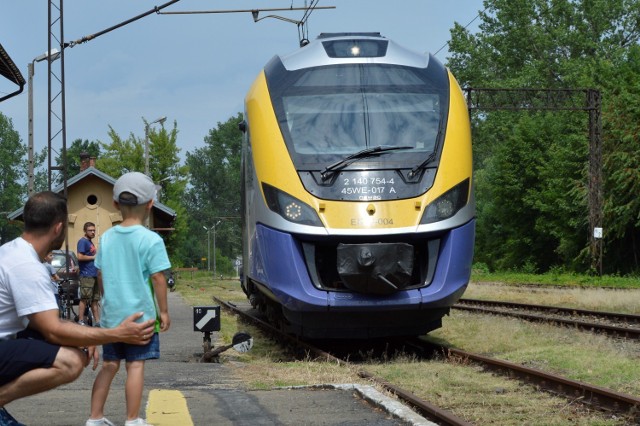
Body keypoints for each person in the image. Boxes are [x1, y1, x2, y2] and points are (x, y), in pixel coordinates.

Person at [0, 191, 156, 426]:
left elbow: (41, 323)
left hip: (7, 341)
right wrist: (117, 333)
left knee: (73, 345)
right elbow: (53, 330)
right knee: (71, 361)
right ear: (59, 228)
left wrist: (84, 335)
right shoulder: (27, 266)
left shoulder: (12, 251)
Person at [87, 172, 171, 426]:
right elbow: (158, 279)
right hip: (141, 318)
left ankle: (95, 418)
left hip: (112, 318)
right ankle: (132, 420)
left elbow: (100, 274)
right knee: (135, 366)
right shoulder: (151, 239)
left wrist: (107, 299)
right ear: (150, 204)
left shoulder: (107, 238)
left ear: (115, 204)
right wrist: (163, 312)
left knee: (110, 365)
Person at [78, 222, 101, 326]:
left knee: (95, 300)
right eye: (90, 230)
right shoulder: (82, 242)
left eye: (94, 230)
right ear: (85, 231)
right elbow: (80, 257)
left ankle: (97, 322)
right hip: (86, 274)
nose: (92, 232)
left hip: (94, 274)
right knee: (85, 298)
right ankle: (81, 320)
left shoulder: (90, 242)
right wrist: (93, 257)